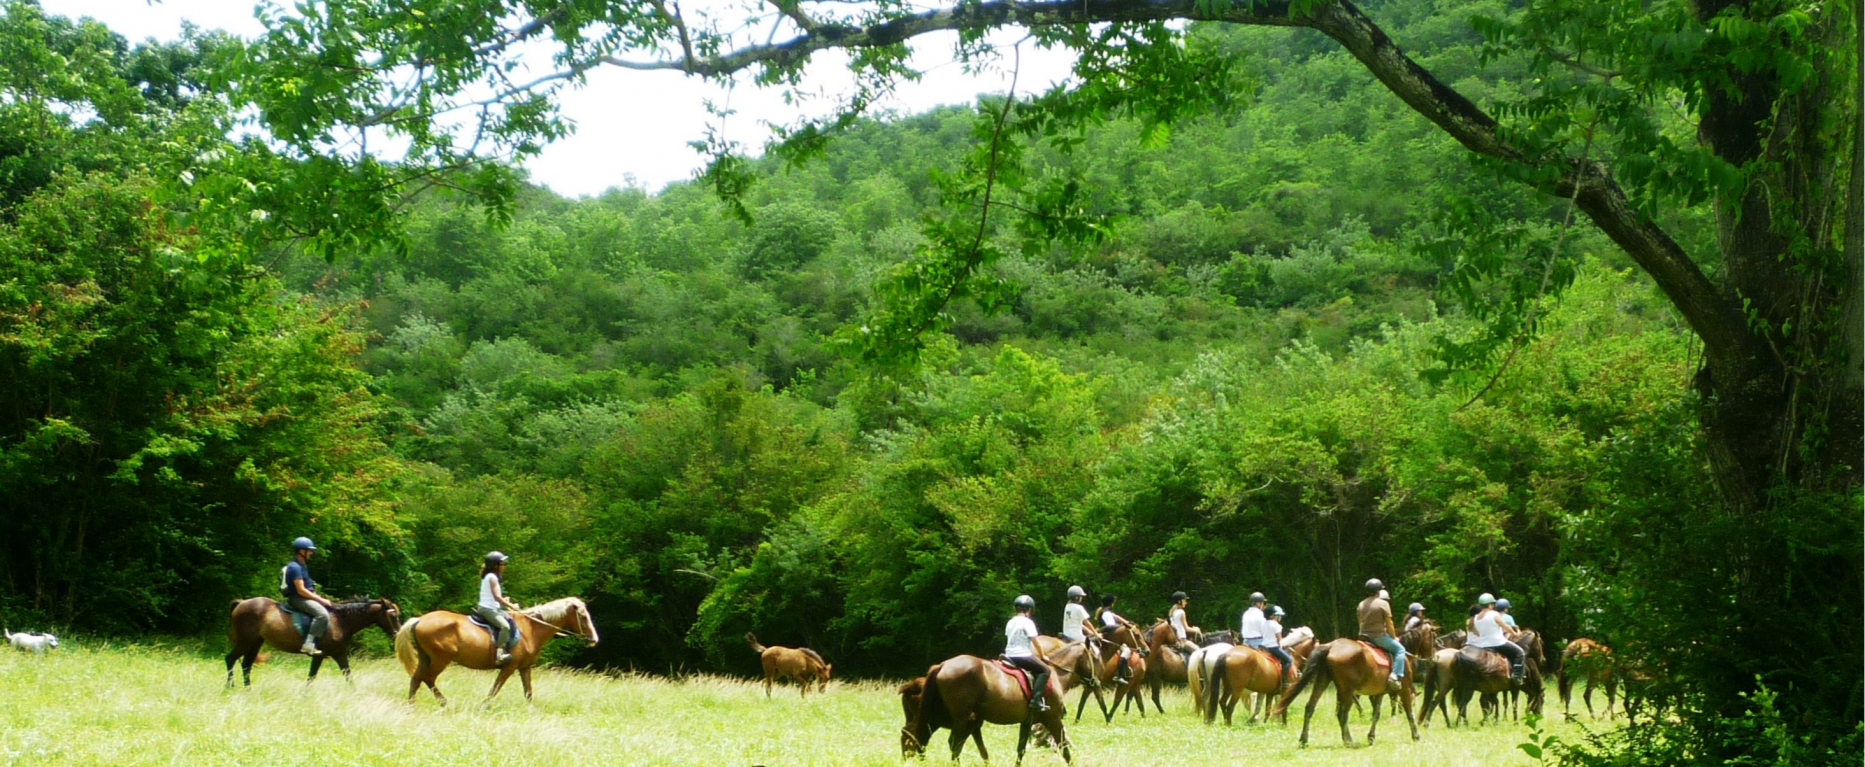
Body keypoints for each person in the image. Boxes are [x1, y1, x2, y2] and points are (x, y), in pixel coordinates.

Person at [280, 537, 334, 657]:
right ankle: (308, 644)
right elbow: (301, 590)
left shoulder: (301, 565)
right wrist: (321, 600)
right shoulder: (295, 567)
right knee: (322, 614)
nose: (311, 553)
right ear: (301, 551)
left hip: (304, 597)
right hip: (298, 598)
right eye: (309, 550)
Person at [1005, 595, 1050, 713]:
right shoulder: (1028, 622)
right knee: (1045, 671)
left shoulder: (1010, 621)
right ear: (1029, 609)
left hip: (1008, 655)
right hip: (1022, 655)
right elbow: (1036, 642)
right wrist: (1043, 656)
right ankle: (1036, 700)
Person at [476, 551, 523, 666]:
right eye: (502, 564)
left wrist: (505, 601)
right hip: (488, 609)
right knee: (504, 626)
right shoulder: (492, 577)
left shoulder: (491, 576)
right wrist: (512, 606)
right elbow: (497, 597)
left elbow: (495, 597)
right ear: (495, 565)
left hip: (492, 607)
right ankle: (499, 654)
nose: (504, 566)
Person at [1356, 578, 1405, 688]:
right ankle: (1394, 676)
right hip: (1378, 637)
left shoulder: (1361, 604)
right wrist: (1394, 637)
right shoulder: (1383, 603)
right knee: (1400, 650)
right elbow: (1389, 623)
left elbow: (1360, 622)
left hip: (1363, 636)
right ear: (1379, 591)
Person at [1468, 593, 1526, 683]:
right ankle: (1517, 676)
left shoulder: (1476, 617)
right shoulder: (1494, 614)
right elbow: (1506, 627)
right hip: (1498, 643)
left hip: (1482, 645)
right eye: (1493, 604)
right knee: (1520, 652)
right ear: (1490, 604)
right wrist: (1515, 634)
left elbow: (1478, 633)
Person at [1240, 592, 1294, 672]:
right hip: (1258, 642)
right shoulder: (1260, 614)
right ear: (1259, 603)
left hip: (1245, 642)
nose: (1263, 605)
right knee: (1280, 660)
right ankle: (1283, 678)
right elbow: (1265, 630)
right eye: (1263, 603)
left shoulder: (1246, 613)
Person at [1099, 594, 1137, 684]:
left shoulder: (1106, 612)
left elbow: (1117, 619)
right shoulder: (1107, 613)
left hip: (1107, 635)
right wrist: (1122, 627)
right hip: (1110, 638)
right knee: (1126, 650)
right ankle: (1118, 675)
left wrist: (1127, 623)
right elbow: (1111, 627)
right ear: (1111, 603)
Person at [1168, 591, 1201, 659]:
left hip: (1175, 640)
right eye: (1184, 600)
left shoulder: (1172, 613)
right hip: (1182, 640)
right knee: (1200, 653)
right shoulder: (1181, 612)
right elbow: (1186, 628)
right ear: (1179, 601)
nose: (1186, 602)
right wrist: (1196, 630)